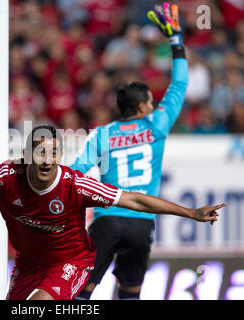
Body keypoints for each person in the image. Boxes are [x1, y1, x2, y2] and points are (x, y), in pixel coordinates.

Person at [0, 125, 225, 300]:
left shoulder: (76, 185)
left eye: (54, 153)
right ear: (28, 155)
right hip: (28, 264)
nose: (48, 160)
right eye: (41, 153)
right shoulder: (6, 177)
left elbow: (135, 200)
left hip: (72, 261)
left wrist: (190, 213)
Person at [70, 3, 191, 300]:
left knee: (80, 294)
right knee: (129, 294)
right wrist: (175, 40)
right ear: (140, 108)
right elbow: (180, 84)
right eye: (150, 102)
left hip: (107, 219)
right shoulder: (156, 125)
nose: (153, 106)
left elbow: (74, 173)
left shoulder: (103, 134)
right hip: (141, 223)